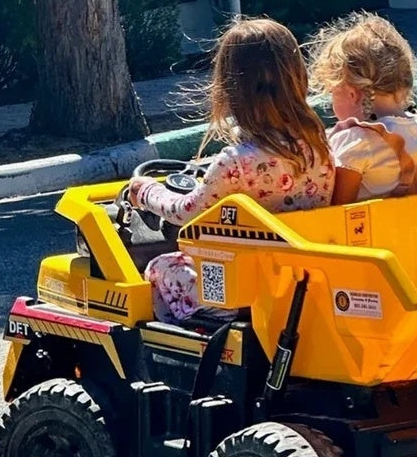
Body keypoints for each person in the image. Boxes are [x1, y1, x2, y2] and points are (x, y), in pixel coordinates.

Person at [128, 17, 334, 323]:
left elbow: (185, 211)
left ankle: (187, 339)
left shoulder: (234, 163)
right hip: (299, 283)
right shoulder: (319, 149)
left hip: (237, 292)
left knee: (161, 266)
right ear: (297, 79)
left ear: (230, 89)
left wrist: (146, 192)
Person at [308, 12, 417, 204]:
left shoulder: (355, 140)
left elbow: (338, 208)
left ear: (352, 94)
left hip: (367, 232)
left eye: (333, 94)